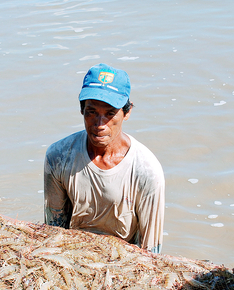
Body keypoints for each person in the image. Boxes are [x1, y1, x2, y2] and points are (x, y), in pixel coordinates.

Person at [44, 63, 165, 253]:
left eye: (110, 114)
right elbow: (54, 228)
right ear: (82, 109)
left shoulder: (146, 171)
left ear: (127, 112)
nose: (100, 124)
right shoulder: (58, 157)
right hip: (74, 249)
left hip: (124, 256)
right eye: (92, 112)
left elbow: (151, 249)